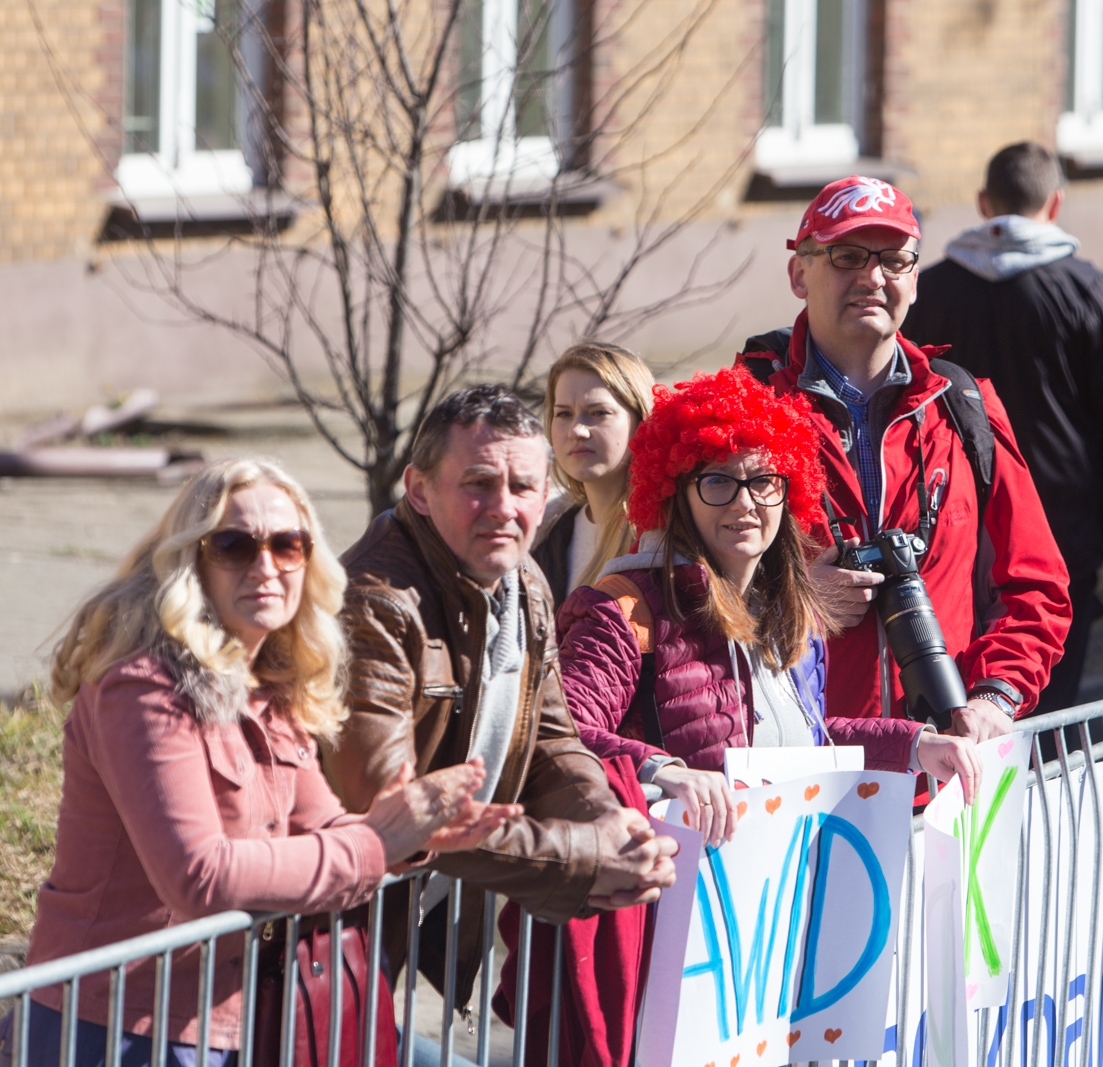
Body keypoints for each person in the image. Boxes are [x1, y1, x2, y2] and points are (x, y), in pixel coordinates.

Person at [7, 458, 516, 1067]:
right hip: (113, 1027)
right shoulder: (141, 687)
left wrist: (411, 835)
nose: (266, 566)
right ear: (191, 562)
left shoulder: (269, 684)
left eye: (287, 545)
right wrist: (376, 843)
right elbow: (199, 876)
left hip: (239, 1019)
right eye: (234, 546)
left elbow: (321, 825)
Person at [327, 386, 678, 1024]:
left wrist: (609, 824)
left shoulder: (523, 579)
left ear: (546, 495)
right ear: (419, 489)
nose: (503, 508)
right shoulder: (375, 605)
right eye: (478, 484)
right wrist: (582, 861)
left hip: (413, 907)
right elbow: (389, 807)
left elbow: (551, 738)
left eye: (523, 487)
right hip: (322, 924)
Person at [558, 367, 982, 847]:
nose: (745, 504)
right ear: (675, 492)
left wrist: (914, 745)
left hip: (779, 878)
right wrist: (662, 771)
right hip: (672, 879)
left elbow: (806, 743)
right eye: (718, 481)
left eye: (763, 481)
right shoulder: (623, 611)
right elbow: (559, 734)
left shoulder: (792, 609)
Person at [736, 175, 1075, 744]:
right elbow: (682, 593)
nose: (873, 278)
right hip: (801, 767)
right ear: (798, 274)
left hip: (944, 763)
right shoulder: (741, 412)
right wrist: (793, 600)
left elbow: (1035, 585)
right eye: (846, 256)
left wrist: (996, 694)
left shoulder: (963, 407)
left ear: (914, 280)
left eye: (894, 261)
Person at [902, 142, 1103, 711]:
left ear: (983, 203)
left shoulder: (928, 290)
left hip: (948, 520)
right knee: (1045, 688)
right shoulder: (1085, 289)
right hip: (1061, 526)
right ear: (1055, 203)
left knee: (951, 683)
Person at [534, 342, 657, 603]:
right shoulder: (543, 533)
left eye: (599, 413)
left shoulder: (662, 542)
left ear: (641, 421)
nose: (577, 430)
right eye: (563, 414)